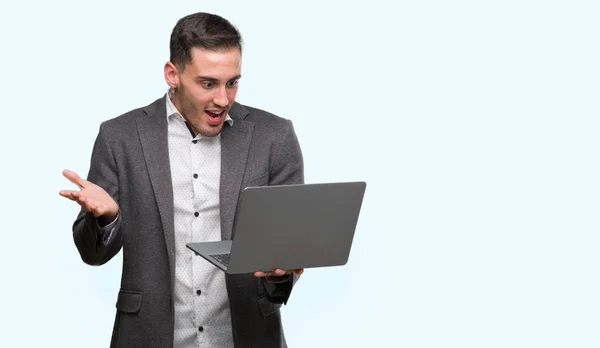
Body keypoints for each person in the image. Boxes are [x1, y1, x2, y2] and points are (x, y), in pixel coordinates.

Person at [59, 12, 304, 348]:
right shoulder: (120, 138)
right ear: (172, 75)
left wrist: (283, 272)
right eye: (208, 84)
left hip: (247, 336)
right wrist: (107, 218)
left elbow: (284, 264)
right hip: (147, 336)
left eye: (232, 82)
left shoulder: (274, 137)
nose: (223, 99)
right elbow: (93, 253)